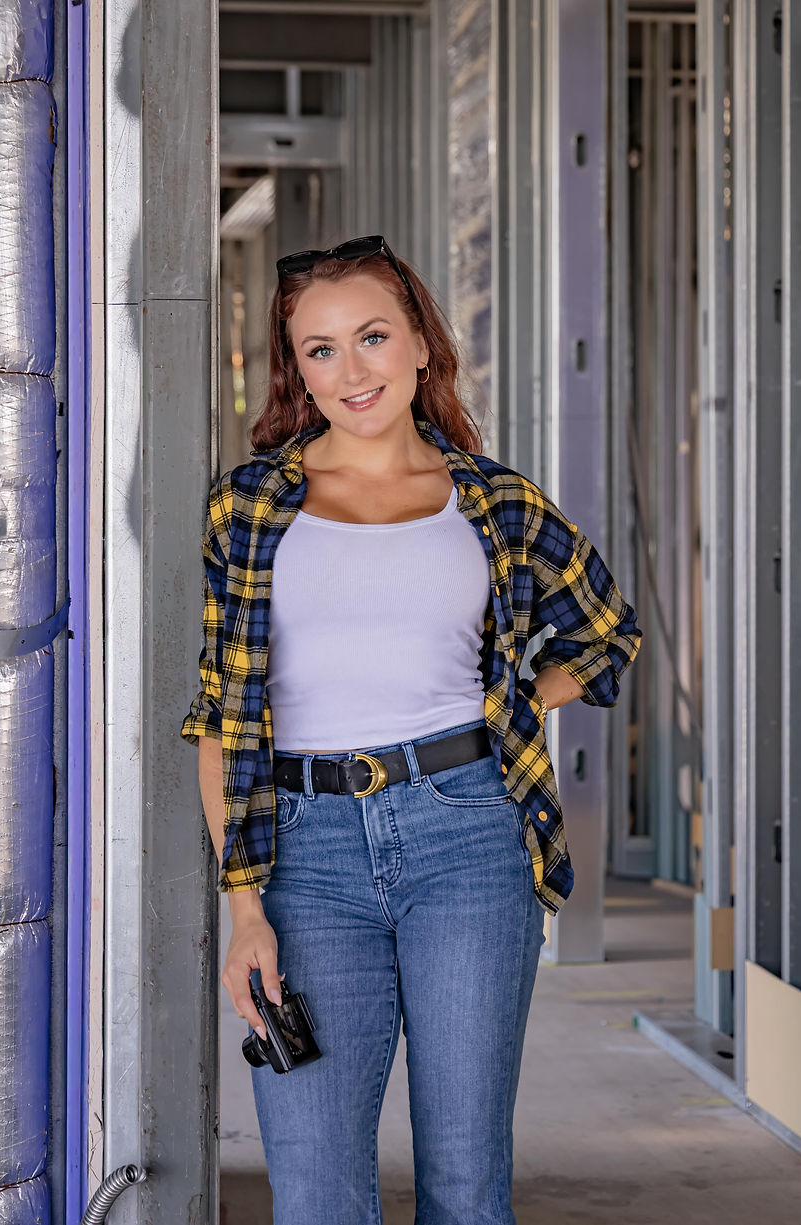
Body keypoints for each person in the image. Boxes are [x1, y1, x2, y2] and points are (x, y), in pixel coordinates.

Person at [181, 234, 642, 1224]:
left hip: (467, 835)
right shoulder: (248, 507)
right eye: (319, 349)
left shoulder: (493, 502)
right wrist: (244, 906)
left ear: (422, 344)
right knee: (312, 1187)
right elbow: (219, 719)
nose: (352, 371)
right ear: (294, 369)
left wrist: (514, 703)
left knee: (466, 1181)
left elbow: (606, 637)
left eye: (373, 337)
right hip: (302, 856)